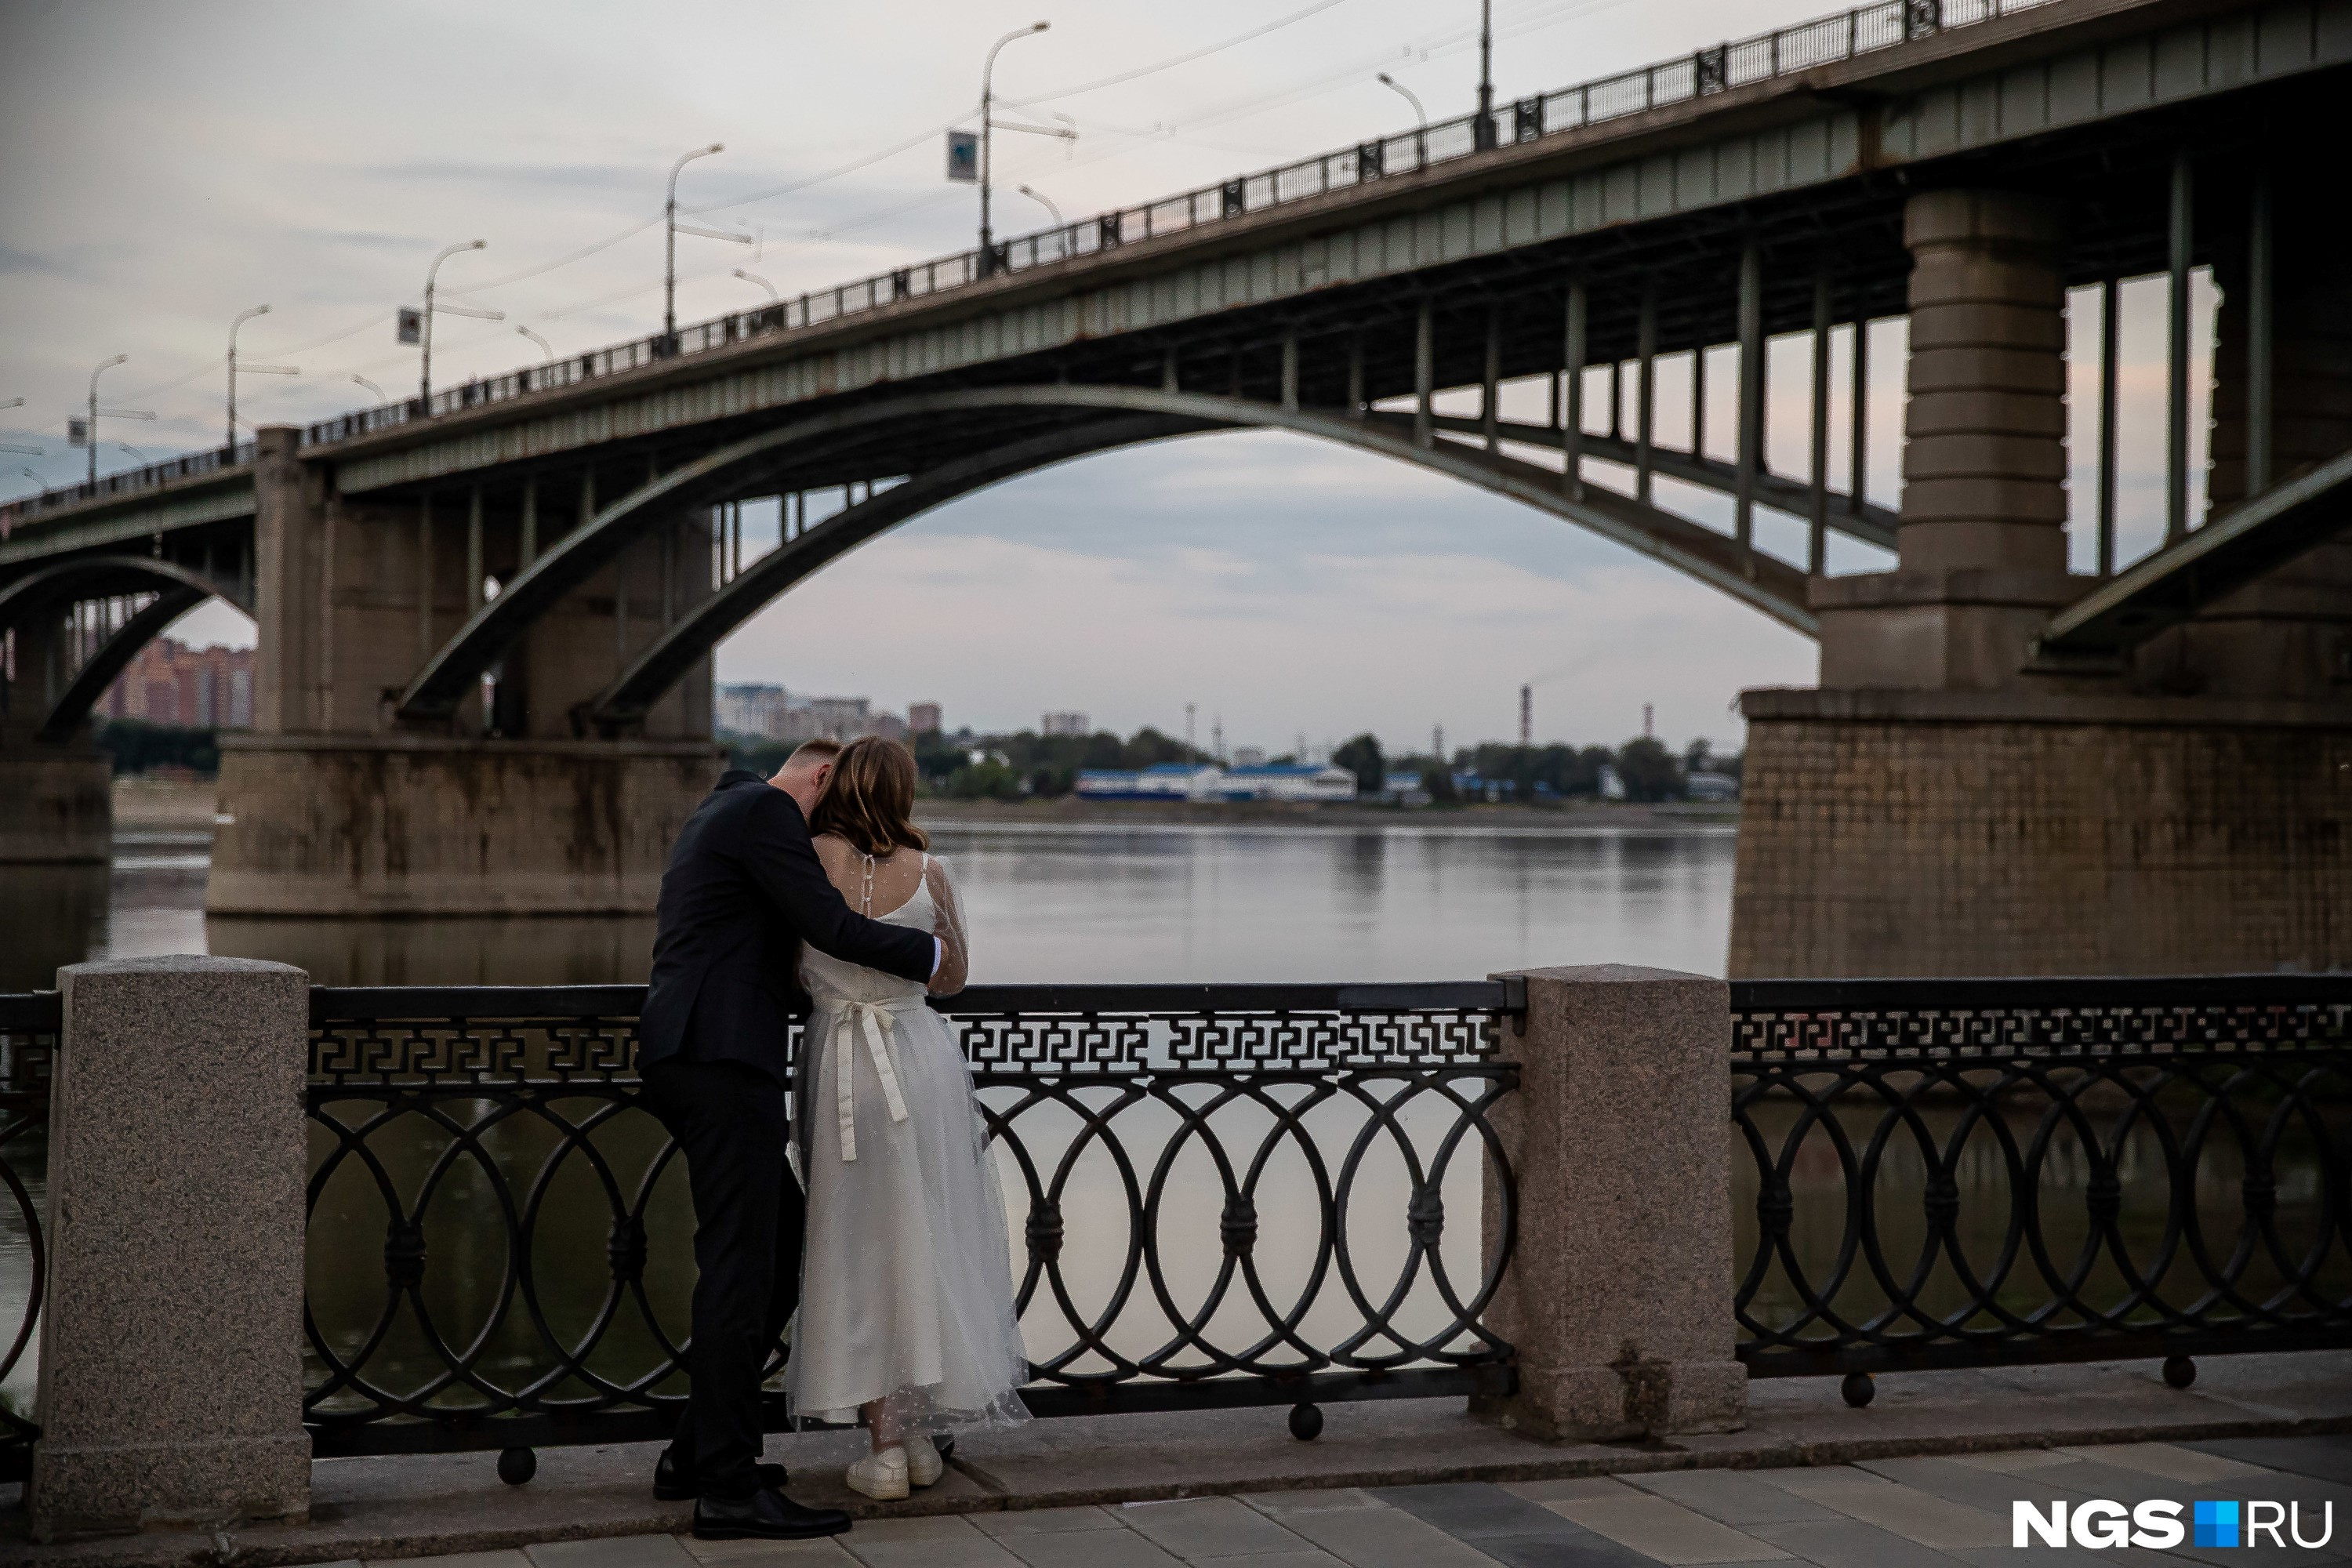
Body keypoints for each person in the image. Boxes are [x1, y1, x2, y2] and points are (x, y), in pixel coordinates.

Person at [637, 738, 940, 1542]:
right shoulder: (769, 810)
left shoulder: (724, 804)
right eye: (831, 802)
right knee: (740, 1272)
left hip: (694, 1051)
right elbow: (828, 922)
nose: (830, 823)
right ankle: (729, 1493)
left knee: (776, 1251)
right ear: (819, 777)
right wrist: (931, 951)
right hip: (718, 1056)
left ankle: (696, 1455)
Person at [787, 735, 1031, 1501]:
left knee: (856, 1242)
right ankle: (914, 1436)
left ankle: (885, 1444)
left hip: (843, 1061)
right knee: (923, 1234)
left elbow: (786, 961)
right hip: (920, 1061)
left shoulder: (805, 859)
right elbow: (954, 977)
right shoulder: (930, 872)